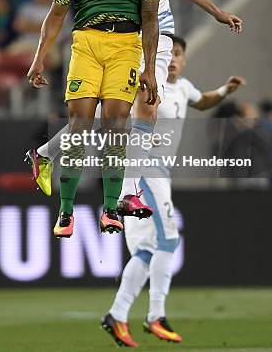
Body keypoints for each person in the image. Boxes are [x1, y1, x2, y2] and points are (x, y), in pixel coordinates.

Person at [29, 0, 243, 216]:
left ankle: (121, 190)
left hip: (159, 33)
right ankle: (56, 159)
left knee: (144, 106)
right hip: (125, 38)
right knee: (105, 116)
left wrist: (217, 12)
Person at [27, 0, 162, 238]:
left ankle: (111, 209)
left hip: (125, 45)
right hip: (86, 43)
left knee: (116, 125)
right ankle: (66, 212)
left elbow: (150, 19)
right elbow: (56, 14)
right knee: (80, 125)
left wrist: (148, 68)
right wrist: (39, 57)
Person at [102, 36, 246, 347]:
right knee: (169, 239)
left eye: (178, 54)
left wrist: (224, 91)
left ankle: (117, 313)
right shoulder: (147, 84)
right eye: (169, 53)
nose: (173, 59)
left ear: (183, 59)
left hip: (160, 173)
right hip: (144, 170)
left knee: (147, 249)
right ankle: (156, 315)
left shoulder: (183, 87)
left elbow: (202, 101)